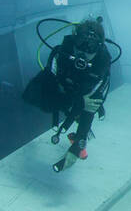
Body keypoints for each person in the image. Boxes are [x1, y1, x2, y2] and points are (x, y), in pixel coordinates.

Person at [47, 17, 111, 172]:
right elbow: (47, 89)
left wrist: (76, 148)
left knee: (90, 107)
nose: (83, 53)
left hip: (83, 93)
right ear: (74, 41)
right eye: (80, 44)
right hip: (67, 92)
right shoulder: (61, 54)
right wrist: (80, 102)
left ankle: (77, 136)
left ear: (99, 48)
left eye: (91, 48)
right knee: (78, 104)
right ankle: (74, 124)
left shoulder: (102, 63)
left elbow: (91, 107)